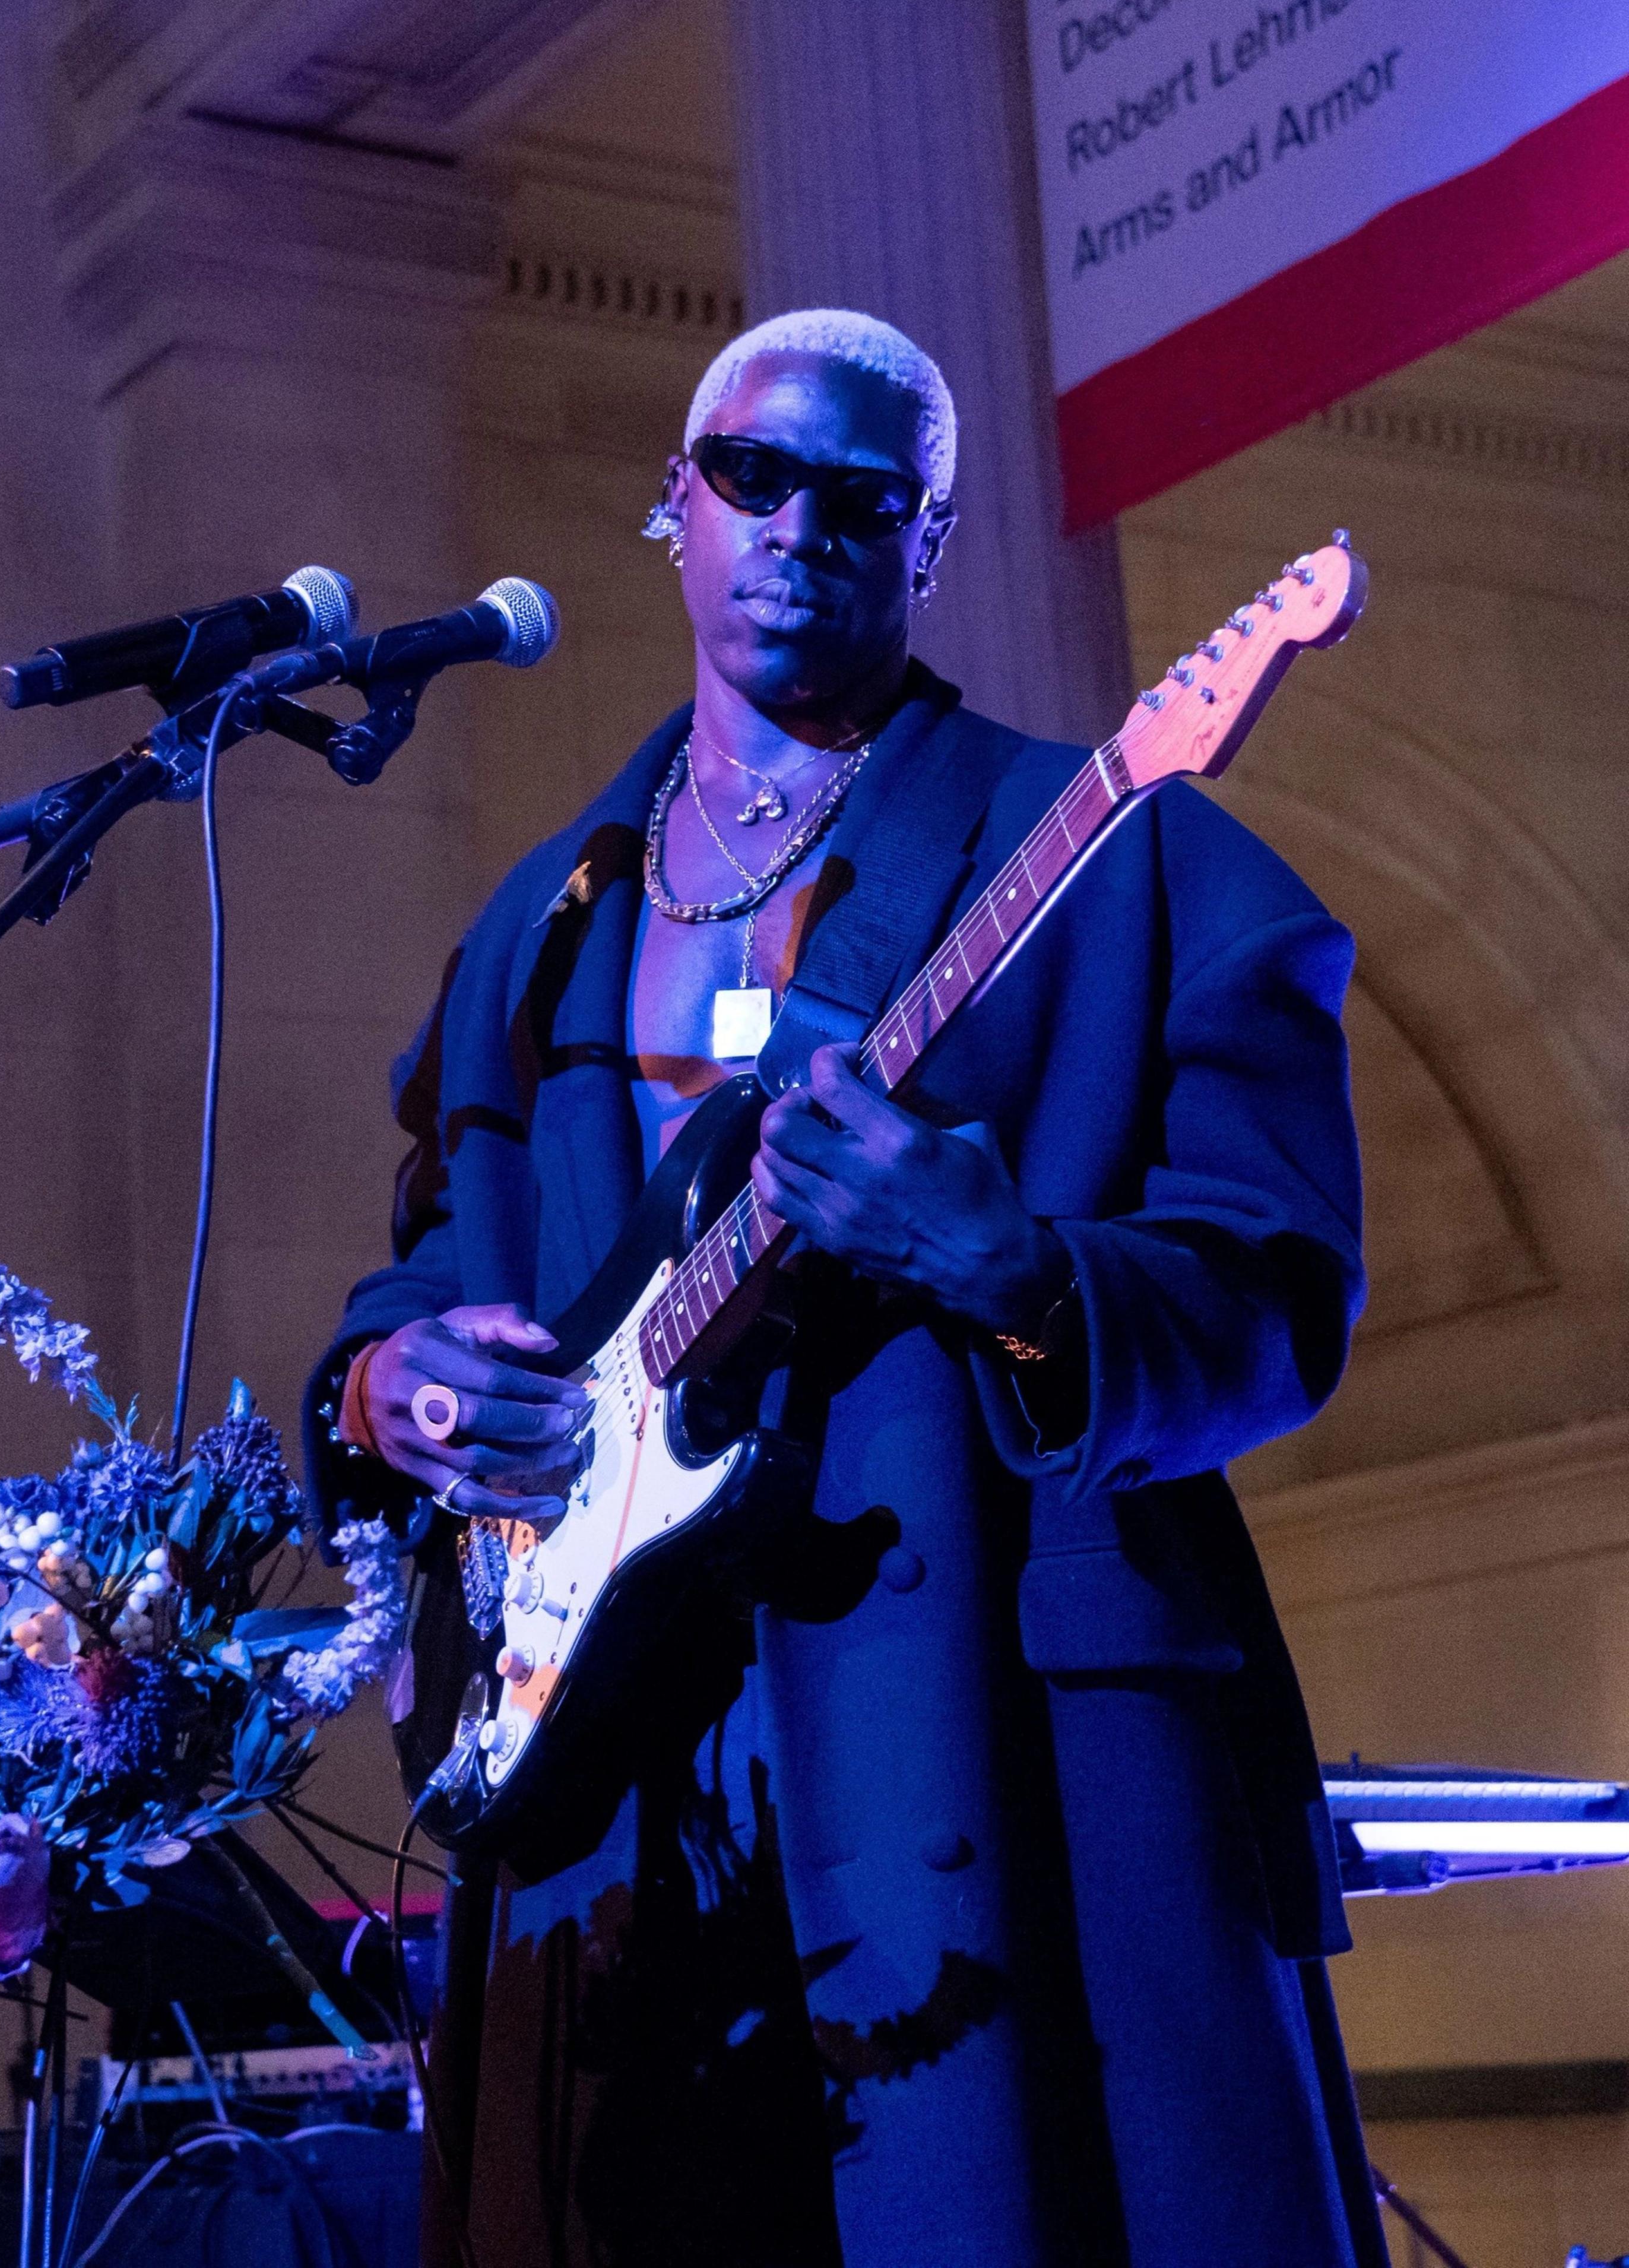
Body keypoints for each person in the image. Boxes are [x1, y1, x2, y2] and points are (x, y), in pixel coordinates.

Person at [305, 309, 1384, 2267]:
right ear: (671, 505)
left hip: (989, 1741)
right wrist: (397, 1396)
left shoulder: (1131, 861)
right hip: (600, 1771)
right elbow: (419, 1281)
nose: (800, 524)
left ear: (930, 543)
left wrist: (1012, 1263)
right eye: (752, 476)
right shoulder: (533, 935)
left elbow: (1276, 1298)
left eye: (862, 496)